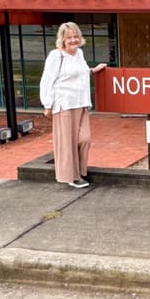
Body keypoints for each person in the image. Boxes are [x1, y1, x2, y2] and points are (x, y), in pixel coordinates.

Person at [39, 22, 107, 188]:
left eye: (76, 36)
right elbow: (47, 80)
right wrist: (47, 104)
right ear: (62, 39)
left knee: (85, 139)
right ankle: (71, 176)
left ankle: (80, 171)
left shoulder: (79, 54)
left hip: (81, 103)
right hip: (64, 104)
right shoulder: (56, 56)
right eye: (69, 37)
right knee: (67, 143)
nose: (73, 40)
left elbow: (79, 73)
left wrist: (93, 70)